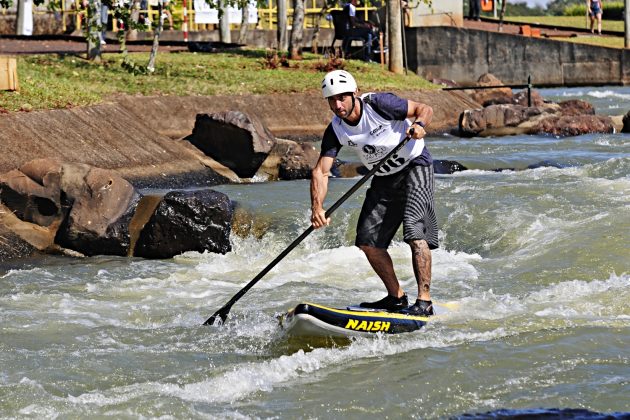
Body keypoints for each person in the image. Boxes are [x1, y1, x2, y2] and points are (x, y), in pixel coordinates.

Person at [310, 70, 438, 316]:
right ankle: (396, 298)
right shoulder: (336, 130)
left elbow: (424, 108)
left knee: (414, 231)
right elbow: (320, 172)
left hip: (415, 165)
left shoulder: (379, 104)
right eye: (332, 100)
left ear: (354, 93)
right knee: (368, 242)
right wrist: (317, 207)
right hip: (384, 177)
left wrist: (420, 125)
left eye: (342, 98)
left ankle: (425, 301)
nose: (338, 105)